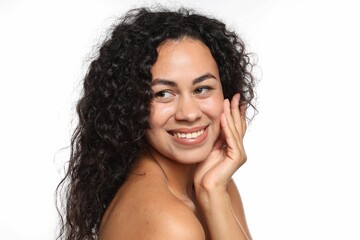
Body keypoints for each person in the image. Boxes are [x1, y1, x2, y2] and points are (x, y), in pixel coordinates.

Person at [57, 6, 256, 240]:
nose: (189, 114)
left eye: (202, 89)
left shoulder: (212, 183)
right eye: (163, 94)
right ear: (131, 103)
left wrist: (213, 192)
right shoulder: (171, 222)